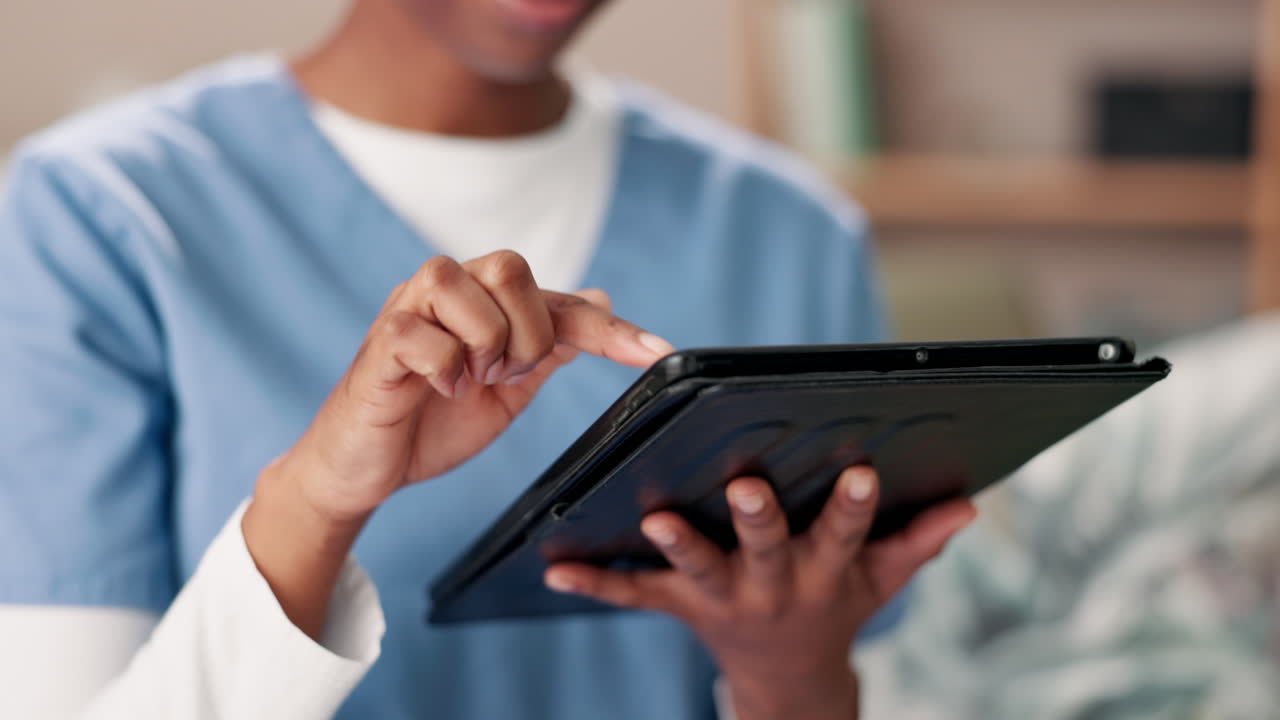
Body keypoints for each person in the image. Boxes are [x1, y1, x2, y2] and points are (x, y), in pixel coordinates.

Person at [0, 0, 975, 718]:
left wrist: (789, 678)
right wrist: (314, 501)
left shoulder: (790, 233)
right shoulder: (100, 217)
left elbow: (872, 687)